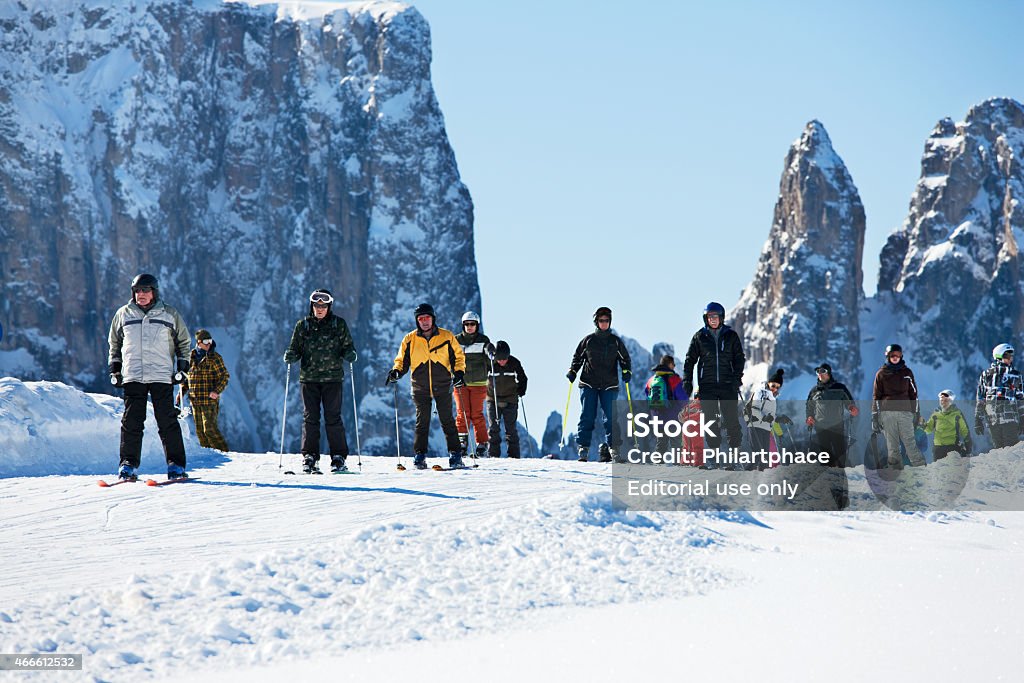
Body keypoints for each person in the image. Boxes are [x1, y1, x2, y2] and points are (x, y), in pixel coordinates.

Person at [107, 273, 191, 481]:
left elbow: (184, 342)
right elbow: (114, 344)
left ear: (154, 292)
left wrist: (182, 369)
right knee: (132, 422)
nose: (141, 294)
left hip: (161, 375)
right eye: (137, 291)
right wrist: (115, 370)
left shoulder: (169, 314)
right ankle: (128, 465)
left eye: (145, 290)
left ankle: (176, 465)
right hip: (133, 376)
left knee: (167, 421)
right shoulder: (123, 314)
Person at [283, 289, 358, 474]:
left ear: (329, 306)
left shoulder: (338, 324)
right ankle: (310, 457)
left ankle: (338, 457)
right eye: (317, 305)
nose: (320, 308)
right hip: (309, 380)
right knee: (310, 418)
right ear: (312, 306)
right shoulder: (303, 326)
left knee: (333, 418)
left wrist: (350, 354)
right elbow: (295, 348)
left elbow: (348, 346)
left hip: (333, 379)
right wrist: (291, 355)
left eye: (323, 306)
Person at [387, 302, 467, 470]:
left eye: (427, 318)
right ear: (417, 321)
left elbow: (458, 357)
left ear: (433, 319)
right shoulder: (410, 339)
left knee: (447, 420)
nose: (424, 321)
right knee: (422, 422)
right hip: (420, 386)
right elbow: (402, 360)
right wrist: (396, 371)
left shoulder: (446, 336)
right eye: (421, 318)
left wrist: (459, 373)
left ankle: (456, 455)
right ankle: (420, 456)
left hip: (443, 384)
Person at [566, 306, 632, 463]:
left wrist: (626, 371)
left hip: (609, 385)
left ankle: (614, 449)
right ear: (596, 322)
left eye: (607, 320)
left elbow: (625, 359)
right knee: (587, 415)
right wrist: (573, 370)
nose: (604, 323)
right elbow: (578, 357)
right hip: (589, 383)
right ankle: (583, 449)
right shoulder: (589, 341)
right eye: (601, 320)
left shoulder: (615, 342)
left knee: (611, 418)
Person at [682, 302, 745, 461]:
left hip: (727, 384)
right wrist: (687, 381)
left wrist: (737, 379)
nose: (713, 320)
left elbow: (739, 358)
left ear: (721, 318)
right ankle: (715, 456)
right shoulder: (699, 337)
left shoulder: (731, 336)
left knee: (731, 420)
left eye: (715, 317)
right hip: (707, 386)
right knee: (710, 422)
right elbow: (690, 360)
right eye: (710, 317)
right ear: (706, 319)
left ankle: (734, 455)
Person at [871, 344, 926, 468]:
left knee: (909, 443)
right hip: (887, 413)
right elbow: (876, 396)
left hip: (905, 413)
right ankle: (896, 474)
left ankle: (921, 469)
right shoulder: (881, 374)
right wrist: (875, 416)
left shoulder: (907, 373)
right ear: (888, 356)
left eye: (898, 355)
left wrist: (916, 413)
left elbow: (913, 394)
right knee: (892, 446)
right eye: (892, 355)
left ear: (901, 356)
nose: (895, 357)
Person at [454, 311, 492, 459]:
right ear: (463, 325)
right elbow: (452, 359)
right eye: (467, 324)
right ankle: (462, 443)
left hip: (478, 382)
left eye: (472, 324)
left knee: (476, 414)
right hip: (461, 382)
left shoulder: (483, 340)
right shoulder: (456, 340)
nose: (470, 327)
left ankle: (482, 444)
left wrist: (491, 354)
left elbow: (489, 361)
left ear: (477, 325)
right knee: (462, 413)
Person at [805, 363, 858, 467]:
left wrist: (852, 408)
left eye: (822, 371)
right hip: (820, 426)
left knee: (840, 454)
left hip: (837, 425)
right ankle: (828, 479)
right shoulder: (814, 391)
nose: (820, 374)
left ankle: (843, 476)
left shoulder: (840, 388)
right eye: (818, 372)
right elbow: (809, 406)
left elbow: (849, 402)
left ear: (828, 373)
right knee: (825, 456)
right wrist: (809, 417)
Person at [186, 329, 230, 451]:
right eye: (206, 341)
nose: (209, 344)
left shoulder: (214, 358)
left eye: (210, 341)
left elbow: (224, 376)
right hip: (195, 400)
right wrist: (182, 392)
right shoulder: (191, 356)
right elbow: (187, 377)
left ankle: (224, 451)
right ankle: (209, 454)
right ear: (199, 342)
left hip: (209, 400)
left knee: (209, 428)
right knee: (200, 432)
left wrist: (216, 391)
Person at [974, 343, 1024, 450]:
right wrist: (978, 419)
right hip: (992, 419)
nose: (1010, 358)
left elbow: (1020, 399)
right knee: (998, 451)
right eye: (1007, 355)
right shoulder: (986, 375)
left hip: (1010, 417)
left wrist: (1022, 418)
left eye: (1011, 355)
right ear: (999, 356)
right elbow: (981, 399)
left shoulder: (1015, 375)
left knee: (1011, 450)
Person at [485, 340, 528, 458]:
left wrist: (521, 390)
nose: (502, 361)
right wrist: (488, 349)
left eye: (504, 359)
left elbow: (523, 378)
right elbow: (485, 349)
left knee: (511, 429)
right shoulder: (490, 363)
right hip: (493, 399)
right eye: (499, 359)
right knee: (493, 428)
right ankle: (493, 456)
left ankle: (514, 456)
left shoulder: (514, 363)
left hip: (510, 400)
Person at [744, 368, 791, 469]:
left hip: (765, 428)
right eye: (773, 385)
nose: (775, 388)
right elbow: (755, 408)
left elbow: (770, 416)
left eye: (778, 387)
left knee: (764, 457)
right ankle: (744, 476)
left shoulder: (772, 397)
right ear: (769, 383)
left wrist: (779, 419)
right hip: (755, 425)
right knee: (757, 455)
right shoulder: (761, 392)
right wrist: (764, 417)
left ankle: (760, 481)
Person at [646, 355, 689, 453]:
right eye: (673, 364)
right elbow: (683, 399)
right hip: (673, 417)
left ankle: (658, 463)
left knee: (661, 443)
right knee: (676, 444)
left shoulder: (651, 380)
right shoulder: (675, 379)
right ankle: (677, 465)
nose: (674, 366)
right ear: (670, 364)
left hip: (657, 417)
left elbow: (647, 395)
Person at [925, 389, 972, 460]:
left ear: (950, 401)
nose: (943, 402)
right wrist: (922, 424)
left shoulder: (957, 414)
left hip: (952, 447)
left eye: (946, 400)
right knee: (939, 470)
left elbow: (964, 430)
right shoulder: (935, 414)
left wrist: (968, 447)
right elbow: (928, 430)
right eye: (941, 400)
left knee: (952, 469)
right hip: (938, 448)